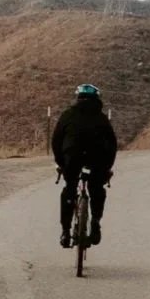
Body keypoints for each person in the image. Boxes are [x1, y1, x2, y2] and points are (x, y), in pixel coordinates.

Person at [51, 83, 118, 249]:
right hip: (98, 160)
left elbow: (56, 141)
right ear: (97, 99)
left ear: (78, 98)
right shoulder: (102, 118)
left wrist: (61, 163)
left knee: (70, 189)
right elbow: (112, 145)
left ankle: (65, 231)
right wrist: (107, 167)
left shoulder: (67, 115)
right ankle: (95, 222)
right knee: (96, 189)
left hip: (72, 159)